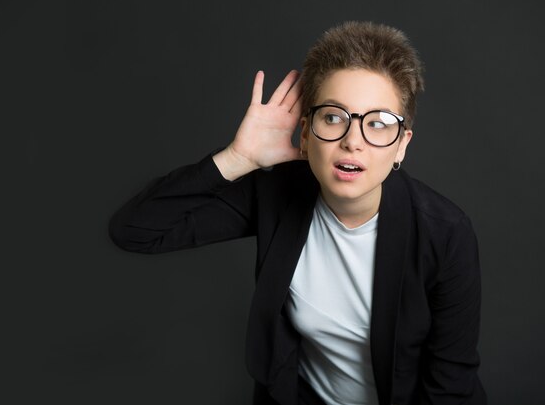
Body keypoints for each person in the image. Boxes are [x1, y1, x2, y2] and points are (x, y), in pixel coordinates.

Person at [109, 21, 486, 405]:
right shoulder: (278, 192)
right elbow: (135, 230)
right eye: (334, 117)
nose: (352, 141)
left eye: (378, 124)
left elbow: (449, 390)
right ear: (305, 133)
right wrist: (237, 159)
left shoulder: (445, 234)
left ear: (401, 145)